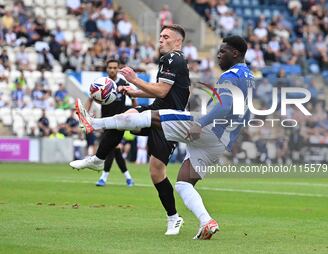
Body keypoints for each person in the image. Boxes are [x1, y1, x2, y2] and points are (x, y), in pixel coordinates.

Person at [74, 35, 253, 240]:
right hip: (220, 142)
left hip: (207, 129)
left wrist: (200, 124)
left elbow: (224, 106)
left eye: (223, 51)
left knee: (152, 117)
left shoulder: (230, 76)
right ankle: (207, 222)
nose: (218, 55)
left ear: (235, 53)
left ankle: (93, 123)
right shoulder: (248, 76)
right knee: (183, 183)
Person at [70, 24, 190, 235]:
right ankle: (98, 158)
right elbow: (165, 93)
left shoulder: (172, 58)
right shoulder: (171, 60)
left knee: (156, 172)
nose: (160, 39)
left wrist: (135, 80)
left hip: (167, 121)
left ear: (177, 41)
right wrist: (135, 92)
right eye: (160, 35)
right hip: (157, 113)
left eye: (166, 36)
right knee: (126, 117)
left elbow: (162, 91)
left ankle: (174, 218)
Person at [87, 59, 135, 187]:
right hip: (106, 122)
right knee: (114, 150)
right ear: (107, 69)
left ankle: (104, 177)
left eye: (115, 67)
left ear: (118, 68)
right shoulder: (102, 83)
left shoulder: (123, 83)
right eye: (110, 67)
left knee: (112, 149)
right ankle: (128, 178)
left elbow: (133, 97)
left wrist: (136, 112)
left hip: (120, 122)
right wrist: (86, 114)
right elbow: (90, 98)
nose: (112, 70)